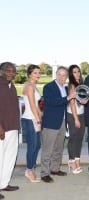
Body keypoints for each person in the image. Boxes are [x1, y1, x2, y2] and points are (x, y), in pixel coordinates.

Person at [40, 66, 76, 183]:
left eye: (64, 75)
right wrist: (68, 97)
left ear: (66, 77)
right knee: (47, 149)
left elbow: (69, 101)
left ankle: (55, 169)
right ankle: (44, 173)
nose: (62, 77)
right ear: (56, 74)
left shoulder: (65, 88)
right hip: (51, 123)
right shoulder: (48, 87)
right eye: (59, 74)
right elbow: (51, 102)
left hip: (62, 122)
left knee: (58, 148)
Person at [0, 62, 20, 197]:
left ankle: (4, 184)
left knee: (10, 157)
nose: (11, 73)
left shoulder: (11, 86)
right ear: (1, 71)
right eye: (8, 70)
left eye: (13, 71)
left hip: (13, 127)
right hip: (2, 128)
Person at [21, 64, 42, 182]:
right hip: (29, 120)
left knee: (37, 145)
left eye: (39, 72)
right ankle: (29, 170)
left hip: (33, 118)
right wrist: (37, 119)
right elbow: (32, 105)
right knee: (32, 146)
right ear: (29, 74)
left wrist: (40, 115)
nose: (38, 75)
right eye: (35, 73)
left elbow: (36, 104)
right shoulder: (29, 86)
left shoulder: (33, 85)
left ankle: (31, 168)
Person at [66, 65, 87, 174]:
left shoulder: (81, 85)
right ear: (71, 74)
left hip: (82, 114)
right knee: (73, 138)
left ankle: (77, 160)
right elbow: (72, 103)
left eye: (78, 71)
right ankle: (71, 161)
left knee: (80, 138)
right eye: (74, 72)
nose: (77, 74)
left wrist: (85, 101)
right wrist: (76, 119)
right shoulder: (72, 85)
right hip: (73, 115)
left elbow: (83, 100)